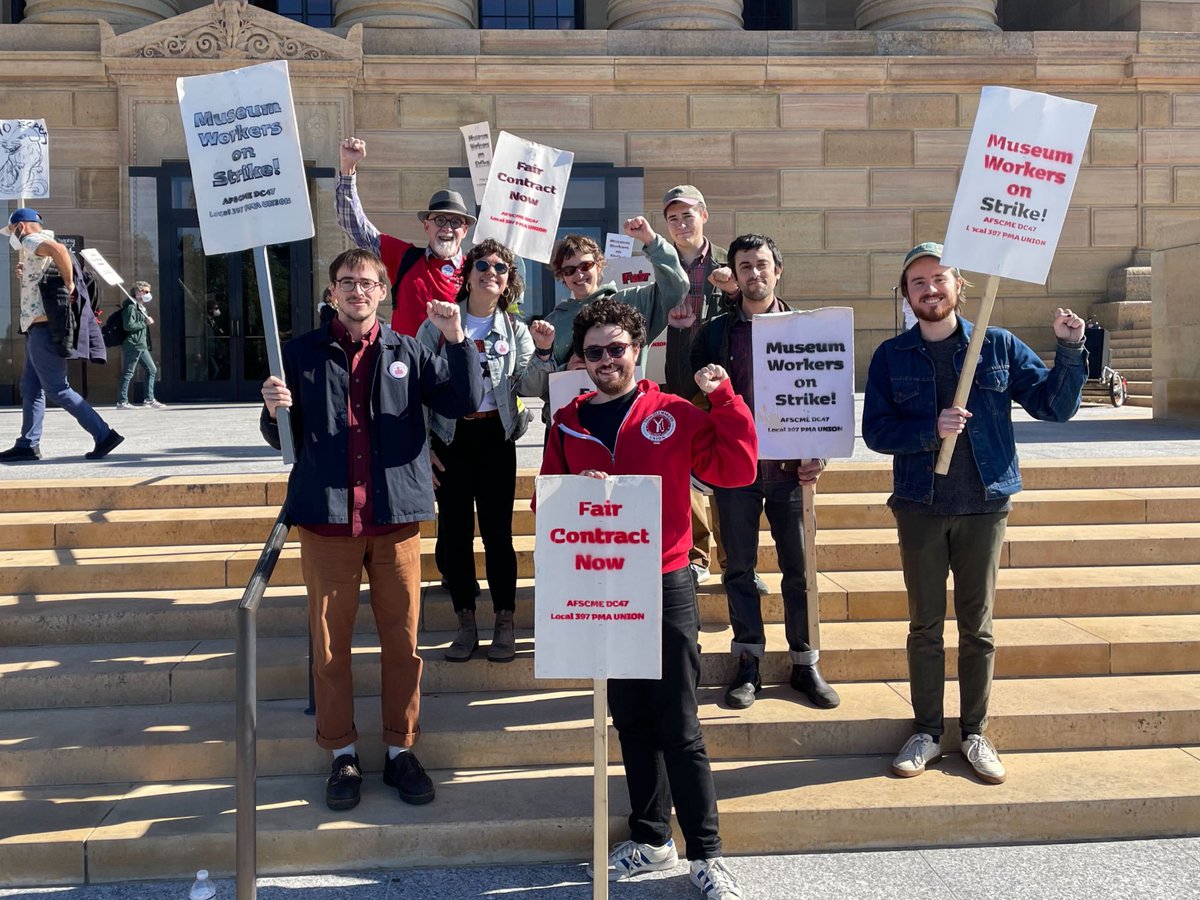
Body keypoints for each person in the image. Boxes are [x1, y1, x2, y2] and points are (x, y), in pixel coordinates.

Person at [539, 297, 757, 900]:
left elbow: (737, 468)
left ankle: (707, 854)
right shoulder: (567, 421)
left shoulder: (672, 412)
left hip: (663, 579)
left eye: (616, 349)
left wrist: (725, 400)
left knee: (679, 724)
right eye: (594, 352)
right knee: (630, 720)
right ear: (581, 359)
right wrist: (575, 492)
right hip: (603, 584)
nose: (605, 360)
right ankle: (652, 835)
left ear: (637, 350)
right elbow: (544, 500)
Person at [260, 247, 484, 811]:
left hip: (394, 520)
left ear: (382, 291)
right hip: (327, 519)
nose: (357, 290)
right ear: (332, 292)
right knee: (329, 648)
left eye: (366, 282)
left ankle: (400, 749)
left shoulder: (409, 349)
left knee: (403, 644)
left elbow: (465, 399)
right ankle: (342, 754)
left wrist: (456, 338)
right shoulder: (301, 353)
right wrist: (272, 409)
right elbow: (282, 437)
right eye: (346, 282)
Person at [862, 241, 1087, 785]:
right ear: (906, 295)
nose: (929, 289)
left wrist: (1070, 348)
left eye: (939, 278)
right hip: (920, 506)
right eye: (918, 282)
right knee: (924, 625)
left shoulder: (998, 345)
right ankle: (926, 731)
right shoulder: (891, 356)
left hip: (984, 506)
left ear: (959, 286)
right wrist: (930, 430)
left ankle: (974, 732)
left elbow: (1054, 407)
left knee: (977, 628)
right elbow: (876, 432)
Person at [686, 234, 840, 712]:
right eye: (745, 266)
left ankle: (805, 662)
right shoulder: (713, 334)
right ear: (735, 275)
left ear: (778, 270)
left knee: (800, 571)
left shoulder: (809, 329)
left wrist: (819, 453)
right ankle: (748, 661)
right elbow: (697, 403)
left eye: (762, 264)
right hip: (736, 473)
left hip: (792, 473)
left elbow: (826, 395)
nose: (754, 273)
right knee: (739, 570)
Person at [417, 239, 553, 663]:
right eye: (482, 265)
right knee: (455, 534)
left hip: (496, 439)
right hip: (450, 438)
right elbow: (416, 388)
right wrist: (423, 447)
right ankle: (465, 623)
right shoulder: (438, 322)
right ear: (468, 273)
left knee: (498, 535)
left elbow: (531, 385)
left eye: (500, 268)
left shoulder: (514, 329)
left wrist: (543, 352)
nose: (491, 272)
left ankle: (504, 622)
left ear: (509, 281)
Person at [0, 208, 122, 462]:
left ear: (21, 226)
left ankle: (104, 434)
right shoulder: (37, 245)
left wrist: (69, 284)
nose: (11, 235)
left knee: (57, 388)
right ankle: (27, 444)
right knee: (31, 387)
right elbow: (49, 264)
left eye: (11, 230)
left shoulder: (31, 238)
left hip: (43, 328)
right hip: (37, 327)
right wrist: (28, 273)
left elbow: (59, 250)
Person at [660, 184, 733, 587]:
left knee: (724, 471)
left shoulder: (730, 261)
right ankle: (696, 555)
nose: (681, 224)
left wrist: (733, 289)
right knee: (682, 471)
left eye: (687, 215)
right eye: (673, 218)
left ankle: (733, 559)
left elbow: (759, 307)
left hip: (721, 381)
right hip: (673, 379)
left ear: (704, 215)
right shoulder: (657, 263)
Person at [336, 136, 473, 337]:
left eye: (455, 222)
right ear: (426, 225)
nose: (447, 228)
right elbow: (355, 226)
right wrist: (348, 168)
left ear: (465, 230)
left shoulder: (475, 270)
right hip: (408, 357)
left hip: (454, 356)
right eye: (440, 220)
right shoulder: (403, 257)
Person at [539, 219, 688, 367]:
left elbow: (675, 288)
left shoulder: (631, 302)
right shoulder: (553, 322)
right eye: (569, 270)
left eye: (585, 265)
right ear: (562, 276)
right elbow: (539, 376)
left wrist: (651, 241)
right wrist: (565, 369)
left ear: (598, 266)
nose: (579, 274)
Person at [116, 281, 165, 410]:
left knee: (152, 369)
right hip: (133, 344)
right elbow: (128, 325)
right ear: (138, 292)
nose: (148, 294)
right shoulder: (131, 307)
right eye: (146, 292)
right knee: (128, 372)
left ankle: (149, 399)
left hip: (141, 344)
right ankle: (122, 401)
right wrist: (145, 323)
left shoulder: (140, 307)